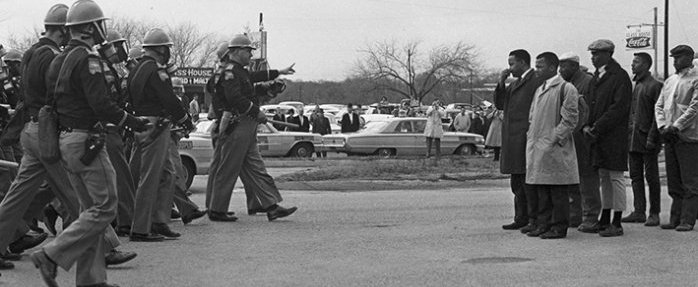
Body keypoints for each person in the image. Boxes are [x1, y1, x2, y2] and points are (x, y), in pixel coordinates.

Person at [33, 1, 151, 286]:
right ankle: (51, 254)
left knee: (90, 214)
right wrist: (133, 122)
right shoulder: (88, 59)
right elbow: (101, 104)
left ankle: (91, 280)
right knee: (105, 209)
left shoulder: (59, 59)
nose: (103, 30)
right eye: (100, 24)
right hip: (87, 142)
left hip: (65, 141)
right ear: (89, 28)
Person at [208, 34, 297, 222]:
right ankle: (216, 209)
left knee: (256, 168)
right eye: (248, 51)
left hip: (246, 125)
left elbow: (253, 77)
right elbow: (235, 99)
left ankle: (271, 206)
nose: (250, 54)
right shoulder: (229, 71)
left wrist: (279, 72)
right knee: (228, 168)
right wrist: (256, 112)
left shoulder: (238, 70)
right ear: (236, 51)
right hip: (237, 124)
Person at [128, 28, 194, 242]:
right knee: (150, 177)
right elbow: (169, 99)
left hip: (141, 124)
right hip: (156, 126)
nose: (168, 53)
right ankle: (140, 228)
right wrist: (185, 120)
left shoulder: (136, 70)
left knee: (166, 174)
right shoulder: (157, 70)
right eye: (166, 48)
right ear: (160, 49)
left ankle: (159, 220)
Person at [524, 52, 579, 239]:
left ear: (552, 67)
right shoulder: (540, 89)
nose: (537, 70)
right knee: (542, 189)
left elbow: (570, 119)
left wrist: (553, 138)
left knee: (557, 189)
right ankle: (543, 224)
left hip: (553, 147)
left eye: (540, 66)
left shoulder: (566, 88)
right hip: (537, 145)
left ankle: (559, 227)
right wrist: (532, 135)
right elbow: (532, 116)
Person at [582, 39, 632, 237]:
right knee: (604, 176)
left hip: (613, 135)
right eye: (592, 54)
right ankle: (605, 215)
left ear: (609, 54)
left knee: (616, 177)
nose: (593, 57)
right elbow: (590, 104)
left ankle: (617, 221)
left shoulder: (619, 76)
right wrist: (586, 124)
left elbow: (619, 108)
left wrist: (597, 126)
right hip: (598, 135)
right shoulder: (596, 77)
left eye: (597, 54)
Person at [493, 49, 542, 231]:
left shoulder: (535, 81)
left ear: (522, 62)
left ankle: (532, 218)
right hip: (513, 138)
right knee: (517, 181)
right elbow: (500, 103)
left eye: (512, 64)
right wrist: (501, 83)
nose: (510, 68)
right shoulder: (515, 84)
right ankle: (521, 217)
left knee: (527, 180)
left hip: (525, 136)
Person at [655, 45, 698, 232]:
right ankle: (675, 217)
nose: (675, 61)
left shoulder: (695, 79)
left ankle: (688, 219)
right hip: (670, 135)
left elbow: (694, 108)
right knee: (674, 180)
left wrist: (677, 126)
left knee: (689, 180)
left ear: (689, 57)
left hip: (688, 136)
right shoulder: (670, 80)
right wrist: (663, 126)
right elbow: (659, 105)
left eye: (679, 57)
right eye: (673, 57)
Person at [622, 52, 663, 226]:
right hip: (633, 138)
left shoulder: (655, 86)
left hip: (648, 139)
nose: (632, 65)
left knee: (652, 177)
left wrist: (653, 137)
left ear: (646, 65)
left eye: (636, 62)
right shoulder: (635, 85)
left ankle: (654, 212)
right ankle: (639, 211)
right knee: (635, 176)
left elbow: (658, 115)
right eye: (633, 61)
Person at [558, 51, 598, 229]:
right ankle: (575, 214)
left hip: (583, 137)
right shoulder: (566, 84)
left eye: (564, 65)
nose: (561, 69)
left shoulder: (587, 83)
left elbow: (589, 110)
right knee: (571, 177)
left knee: (586, 177)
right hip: (570, 137)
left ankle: (590, 215)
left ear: (574, 66)